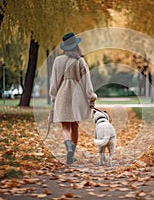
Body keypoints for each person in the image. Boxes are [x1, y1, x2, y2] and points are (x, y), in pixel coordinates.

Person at [49, 32, 97, 165]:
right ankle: (73, 153)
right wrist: (91, 98)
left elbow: (54, 82)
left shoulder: (58, 61)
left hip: (62, 95)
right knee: (75, 126)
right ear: (76, 45)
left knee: (65, 127)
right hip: (77, 97)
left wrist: (54, 97)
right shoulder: (80, 61)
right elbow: (86, 82)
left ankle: (68, 149)